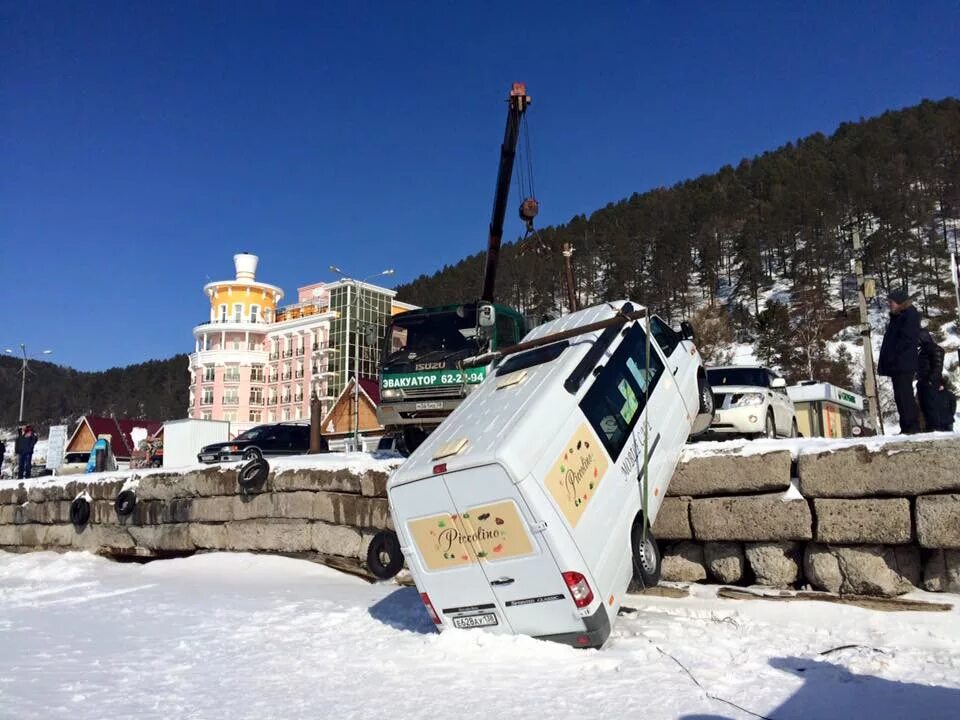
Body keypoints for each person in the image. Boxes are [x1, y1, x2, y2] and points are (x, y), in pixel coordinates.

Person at [877, 289, 921, 434]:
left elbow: (906, 339)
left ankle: (912, 426)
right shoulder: (898, 316)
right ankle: (906, 426)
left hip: (904, 362)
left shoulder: (909, 315)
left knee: (905, 395)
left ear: (900, 302)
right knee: (900, 396)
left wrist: (894, 354)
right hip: (898, 363)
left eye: (891, 302)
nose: (890, 305)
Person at [916, 329, 946, 431]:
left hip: (929, 382)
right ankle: (929, 427)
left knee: (931, 406)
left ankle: (935, 428)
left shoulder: (933, 348)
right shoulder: (921, 350)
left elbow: (937, 366)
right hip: (922, 381)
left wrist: (931, 380)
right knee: (924, 407)